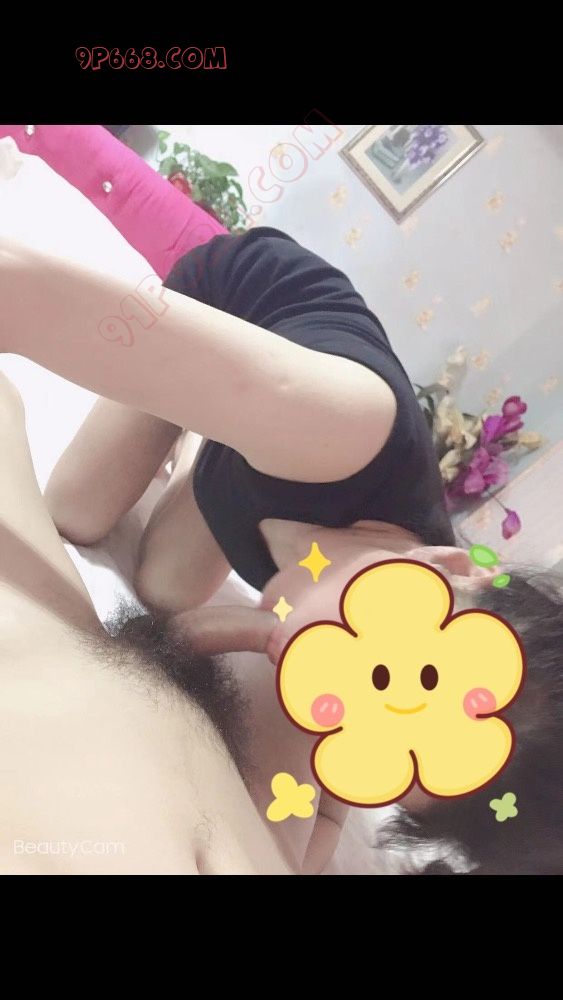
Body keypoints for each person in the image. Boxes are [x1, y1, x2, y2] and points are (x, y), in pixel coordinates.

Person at [2, 232, 562, 875]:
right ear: (453, 567)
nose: (317, 678)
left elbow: (315, 826)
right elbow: (21, 285)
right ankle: (210, 407)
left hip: (264, 457)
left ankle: (210, 440)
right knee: (75, 509)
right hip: (242, 318)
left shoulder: (354, 661)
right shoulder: (344, 427)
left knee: (163, 588)